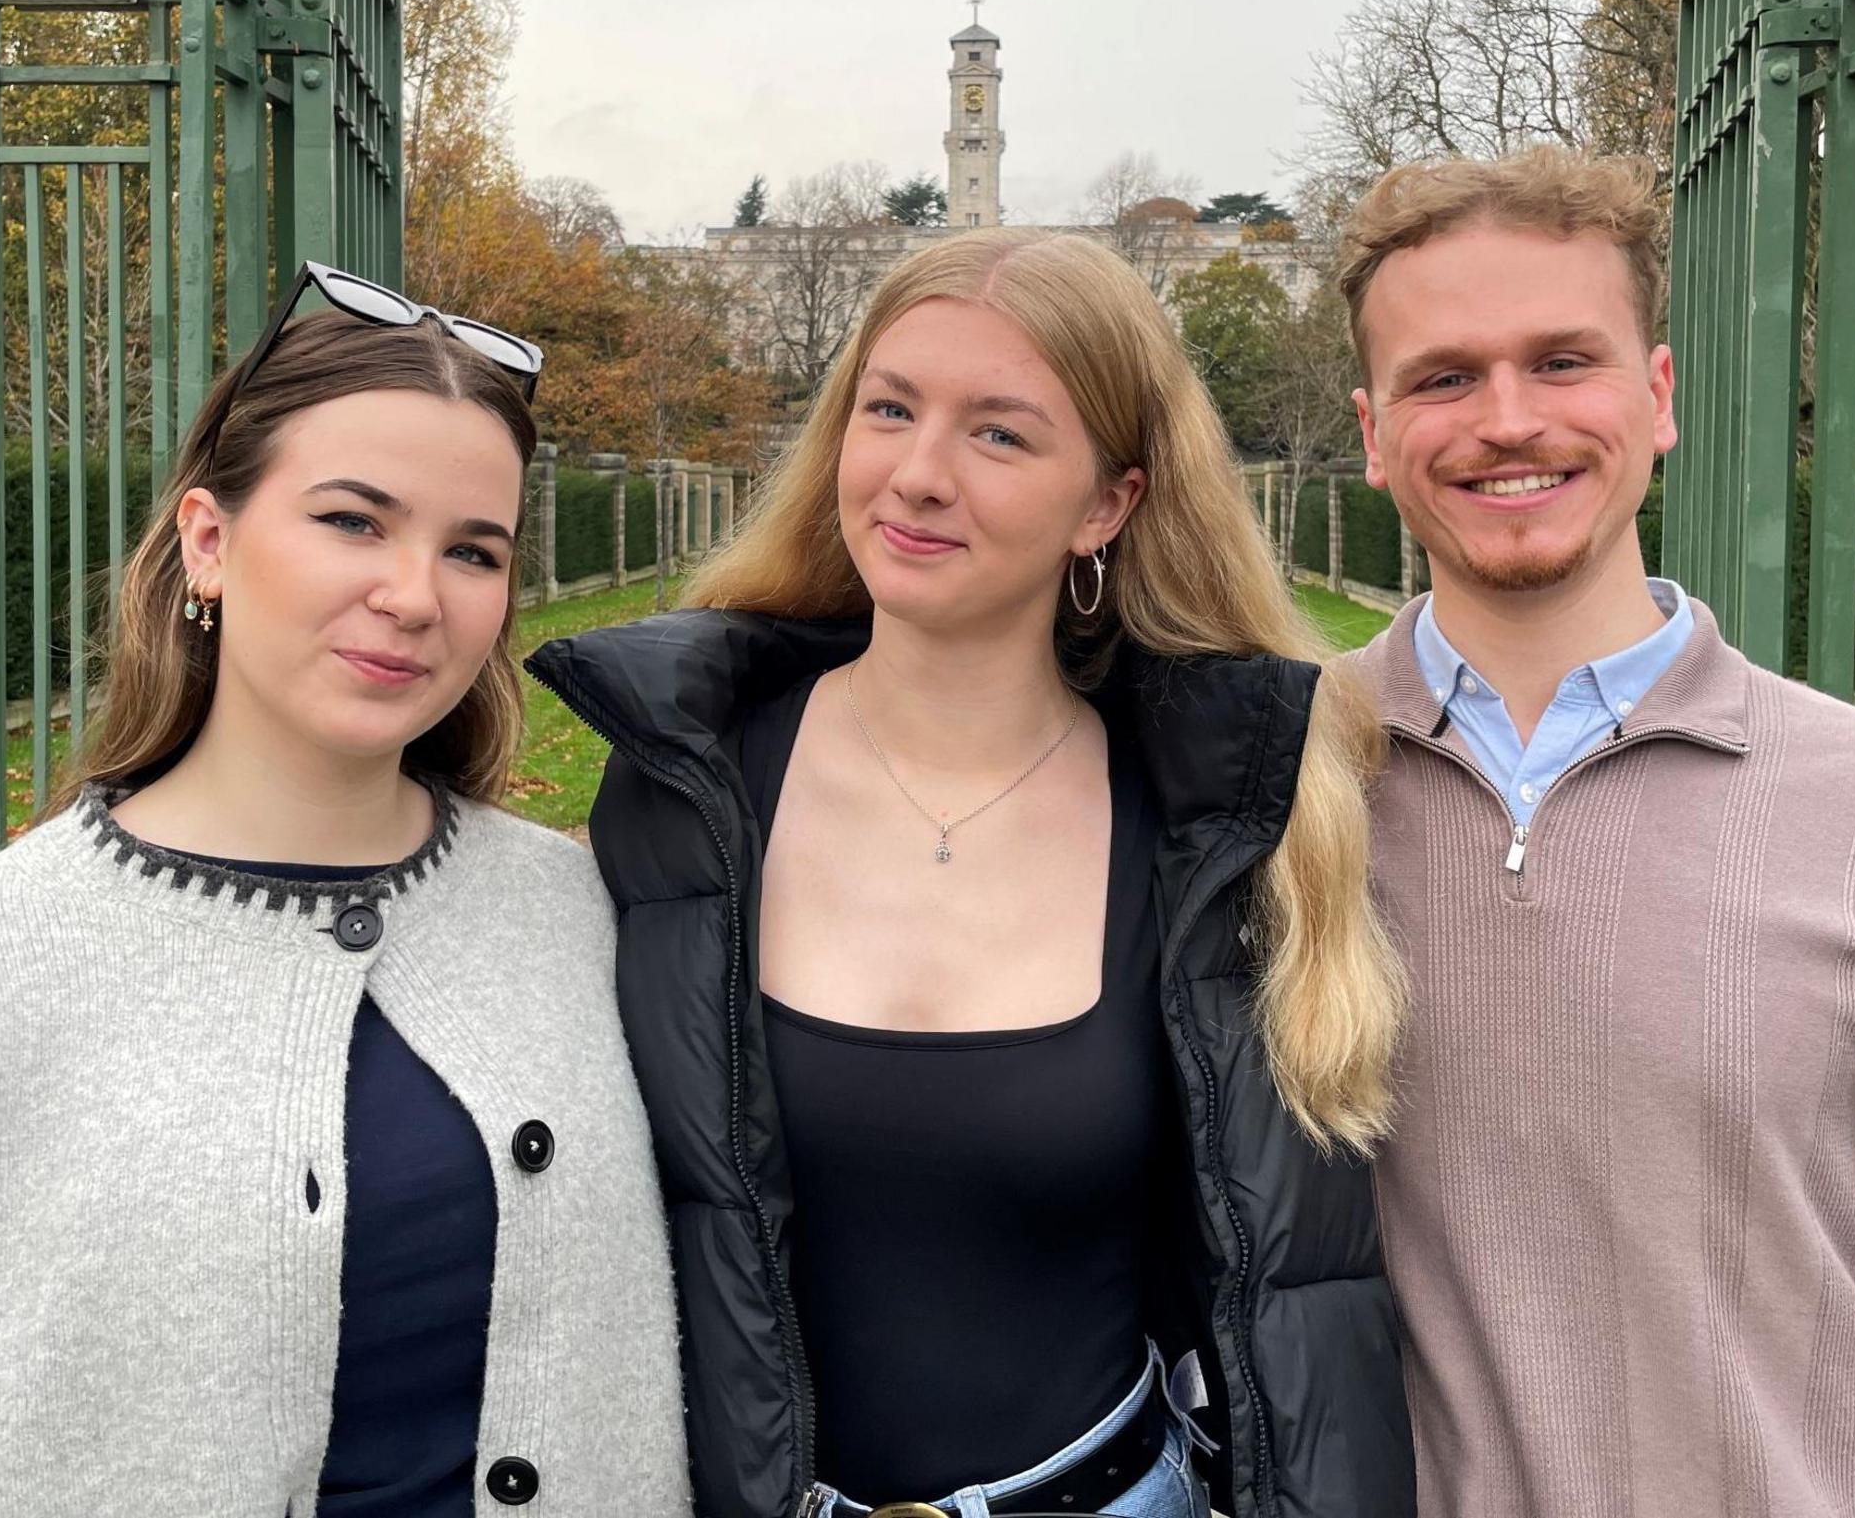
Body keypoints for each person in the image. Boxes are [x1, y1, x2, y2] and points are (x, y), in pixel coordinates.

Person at [0, 265, 690, 1517]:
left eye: (472, 551)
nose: (412, 594)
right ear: (208, 540)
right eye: (352, 520)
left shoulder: (580, 916)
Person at [528, 229, 1414, 1518]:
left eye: (999, 434)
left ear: (1107, 502)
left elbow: (1304, 1302)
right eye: (888, 409)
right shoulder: (683, 790)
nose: (918, 475)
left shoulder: (1214, 826)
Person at [1342, 147, 1855, 1514]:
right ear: (1374, 433)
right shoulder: (1276, 791)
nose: (1508, 419)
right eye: (1444, 377)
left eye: (1564, 361)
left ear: (1661, 394)